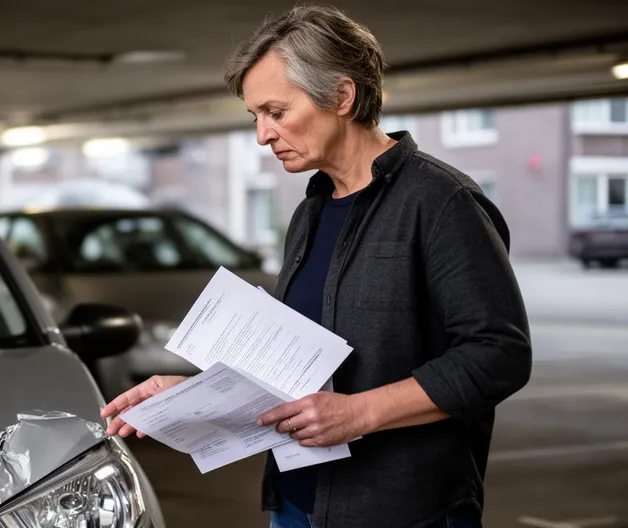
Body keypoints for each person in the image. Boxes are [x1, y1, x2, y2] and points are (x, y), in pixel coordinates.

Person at [100, 4, 532, 528]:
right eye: (255, 116)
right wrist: (191, 394)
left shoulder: (442, 203)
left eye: (276, 112)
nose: (262, 135)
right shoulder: (311, 211)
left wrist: (359, 414)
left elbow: (498, 355)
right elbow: (292, 369)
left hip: (402, 510)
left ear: (342, 97)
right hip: (295, 501)